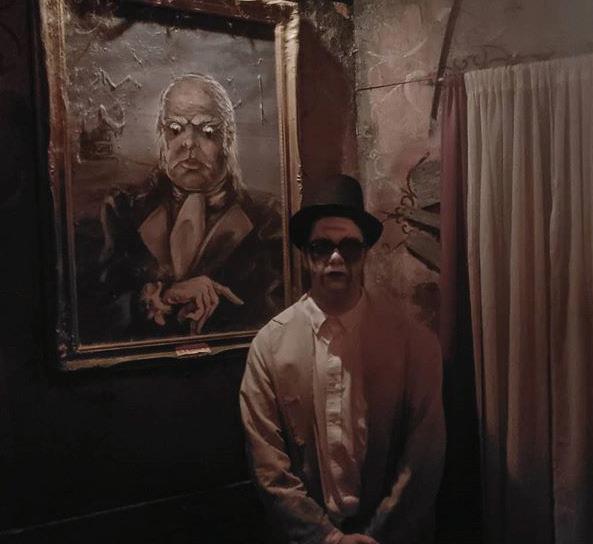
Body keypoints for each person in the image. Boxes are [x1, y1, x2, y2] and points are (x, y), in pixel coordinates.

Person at [240, 174, 445, 544]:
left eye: (349, 247)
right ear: (306, 255)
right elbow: (268, 466)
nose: (336, 259)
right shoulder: (269, 347)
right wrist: (326, 538)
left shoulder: (414, 344)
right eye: (322, 247)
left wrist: (379, 534)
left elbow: (423, 458)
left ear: (364, 253)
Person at [90, 73, 283, 339]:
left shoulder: (268, 217)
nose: (189, 143)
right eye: (175, 129)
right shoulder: (123, 208)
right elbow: (96, 314)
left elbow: (277, 316)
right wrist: (164, 297)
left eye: (207, 131)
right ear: (161, 136)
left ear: (228, 139)